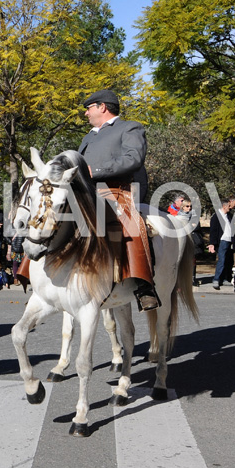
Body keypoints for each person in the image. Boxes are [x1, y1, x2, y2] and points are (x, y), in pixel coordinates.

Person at [78, 89, 158, 311]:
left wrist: (97, 170)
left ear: (102, 107)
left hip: (116, 190)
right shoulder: (89, 136)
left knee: (132, 223)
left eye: (89, 108)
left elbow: (134, 159)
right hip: (85, 194)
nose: (86, 114)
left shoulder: (129, 127)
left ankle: (144, 286)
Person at [208, 196, 235, 290]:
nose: (230, 207)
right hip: (222, 241)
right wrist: (212, 243)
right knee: (221, 260)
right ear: (224, 206)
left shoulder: (229, 216)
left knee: (228, 261)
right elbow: (213, 231)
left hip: (230, 241)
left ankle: (225, 278)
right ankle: (216, 279)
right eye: (229, 206)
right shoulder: (216, 216)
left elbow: (232, 229)